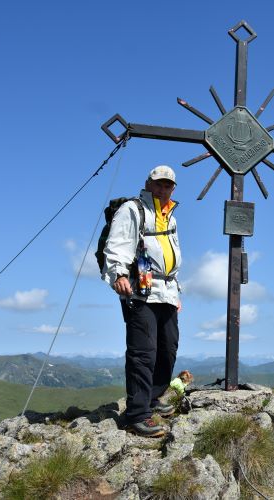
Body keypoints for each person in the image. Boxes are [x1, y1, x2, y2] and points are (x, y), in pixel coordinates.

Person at [102, 165, 181, 437]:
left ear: (173, 188)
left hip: (167, 291)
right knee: (142, 352)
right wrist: (118, 273)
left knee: (167, 349)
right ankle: (137, 414)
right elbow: (117, 243)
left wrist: (177, 291)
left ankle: (152, 398)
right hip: (140, 289)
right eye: (158, 184)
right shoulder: (132, 209)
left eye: (167, 185)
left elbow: (171, 255)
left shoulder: (169, 215)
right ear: (148, 183)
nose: (162, 189)